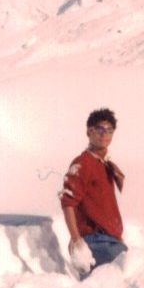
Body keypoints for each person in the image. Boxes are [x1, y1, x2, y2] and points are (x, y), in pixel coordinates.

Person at [59, 108, 127, 277]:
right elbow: (68, 202)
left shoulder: (104, 164)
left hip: (112, 241)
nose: (104, 135)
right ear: (89, 132)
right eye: (99, 129)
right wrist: (76, 242)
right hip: (96, 243)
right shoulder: (82, 164)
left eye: (109, 130)